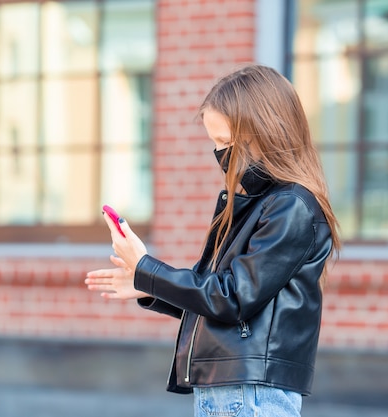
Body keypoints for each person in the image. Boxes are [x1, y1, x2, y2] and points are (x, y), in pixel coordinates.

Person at [85, 64, 341, 417]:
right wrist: (148, 286)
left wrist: (148, 269)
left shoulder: (292, 207)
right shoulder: (258, 203)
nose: (220, 154)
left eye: (226, 142)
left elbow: (232, 298)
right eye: (215, 143)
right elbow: (219, 297)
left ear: (266, 132)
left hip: (251, 391)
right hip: (231, 387)